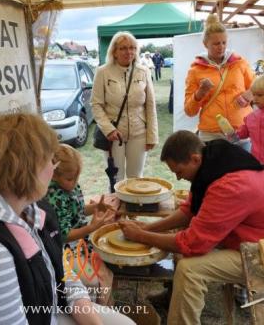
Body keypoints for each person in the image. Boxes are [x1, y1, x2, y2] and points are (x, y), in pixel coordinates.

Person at [0, 113, 135, 325]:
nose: (53, 168)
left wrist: (91, 319)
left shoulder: (32, 210)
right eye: (50, 159)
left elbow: (62, 273)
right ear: (30, 167)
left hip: (43, 312)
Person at [119, 130, 264, 325]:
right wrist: (148, 228)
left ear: (194, 159)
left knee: (190, 269)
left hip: (259, 250)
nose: (178, 178)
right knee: (179, 242)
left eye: (179, 171)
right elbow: (189, 211)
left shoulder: (230, 185)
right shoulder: (212, 161)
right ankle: (174, 297)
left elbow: (193, 244)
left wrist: (140, 236)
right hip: (244, 234)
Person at [44, 144, 118, 305]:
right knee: (92, 283)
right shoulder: (53, 196)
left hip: (81, 243)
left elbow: (78, 211)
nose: (74, 183)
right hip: (65, 249)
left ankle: (104, 313)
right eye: (70, 179)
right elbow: (63, 235)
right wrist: (91, 228)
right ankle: (91, 313)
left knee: (105, 274)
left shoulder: (71, 187)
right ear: (53, 175)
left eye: (77, 178)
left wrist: (97, 207)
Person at [91, 31, 158, 182]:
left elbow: (150, 105)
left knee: (136, 177)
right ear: (114, 51)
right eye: (123, 48)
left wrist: (152, 136)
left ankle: (133, 205)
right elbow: (96, 104)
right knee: (116, 178)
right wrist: (108, 130)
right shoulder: (102, 72)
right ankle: (116, 205)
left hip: (139, 132)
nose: (129, 52)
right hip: (114, 135)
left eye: (132, 48)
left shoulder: (144, 71)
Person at [184, 14, 254, 144]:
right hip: (211, 135)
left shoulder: (239, 63)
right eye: (216, 43)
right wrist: (200, 93)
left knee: (247, 165)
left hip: (242, 131)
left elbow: (257, 88)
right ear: (205, 44)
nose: (221, 47)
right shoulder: (195, 71)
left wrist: (248, 95)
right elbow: (189, 111)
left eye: (224, 42)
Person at [233, 75, 264, 164]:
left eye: (260, 95)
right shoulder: (251, 117)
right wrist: (234, 134)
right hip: (255, 160)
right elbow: (244, 132)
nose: (255, 98)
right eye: (254, 95)